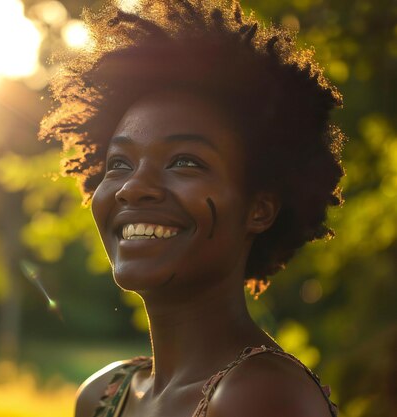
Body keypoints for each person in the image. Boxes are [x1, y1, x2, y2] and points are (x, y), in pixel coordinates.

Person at [39, 1, 345, 416]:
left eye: (185, 161)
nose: (133, 188)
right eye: (119, 164)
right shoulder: (104, 396)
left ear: (260, 209)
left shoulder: (261, 398)